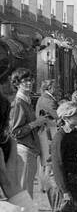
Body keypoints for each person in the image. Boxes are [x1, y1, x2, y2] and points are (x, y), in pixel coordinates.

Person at [7, 70, 49, 198]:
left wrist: (38, 124)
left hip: (29, 150)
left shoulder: (26, 100)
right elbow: (15, 132)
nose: (29, 83)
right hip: (23, 150)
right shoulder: (19, 102)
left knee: (26, 191)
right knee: (24, 193)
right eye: (24, 81)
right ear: (17, 84)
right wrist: (36, 123)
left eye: (30, 80)